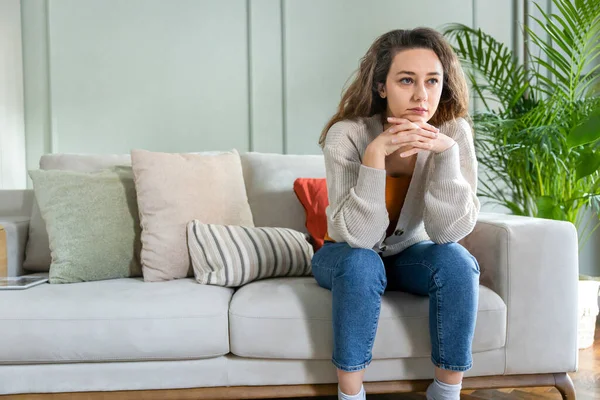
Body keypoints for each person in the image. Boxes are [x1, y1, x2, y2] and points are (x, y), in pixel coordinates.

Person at [312, 27, 480, 400]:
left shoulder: (453, 133)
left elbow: (447, 232)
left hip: (410, 257)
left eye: (433, 81)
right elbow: (361, 239)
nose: (422, 95)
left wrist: (446, 155)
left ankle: (446, 391)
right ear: (381, 86)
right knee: (362, 264)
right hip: (342, 254)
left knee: (456, 261)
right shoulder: (348, 135)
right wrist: (375, 157)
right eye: (407, 80)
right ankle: (351, 394)